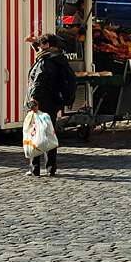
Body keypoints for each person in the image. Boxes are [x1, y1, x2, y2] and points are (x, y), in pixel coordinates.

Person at [25, 33, 77, 178]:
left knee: (36, 135)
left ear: (47, 45)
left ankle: (35, 168)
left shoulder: (45, 61)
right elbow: (41, 51)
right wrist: (35, 42)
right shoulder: (58, 58)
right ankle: (51, 167)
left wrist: (34, 100)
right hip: (54, 102)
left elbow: (39, 81)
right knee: (49, 135)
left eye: (40, 45)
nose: (38, 47)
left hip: (42, 103)